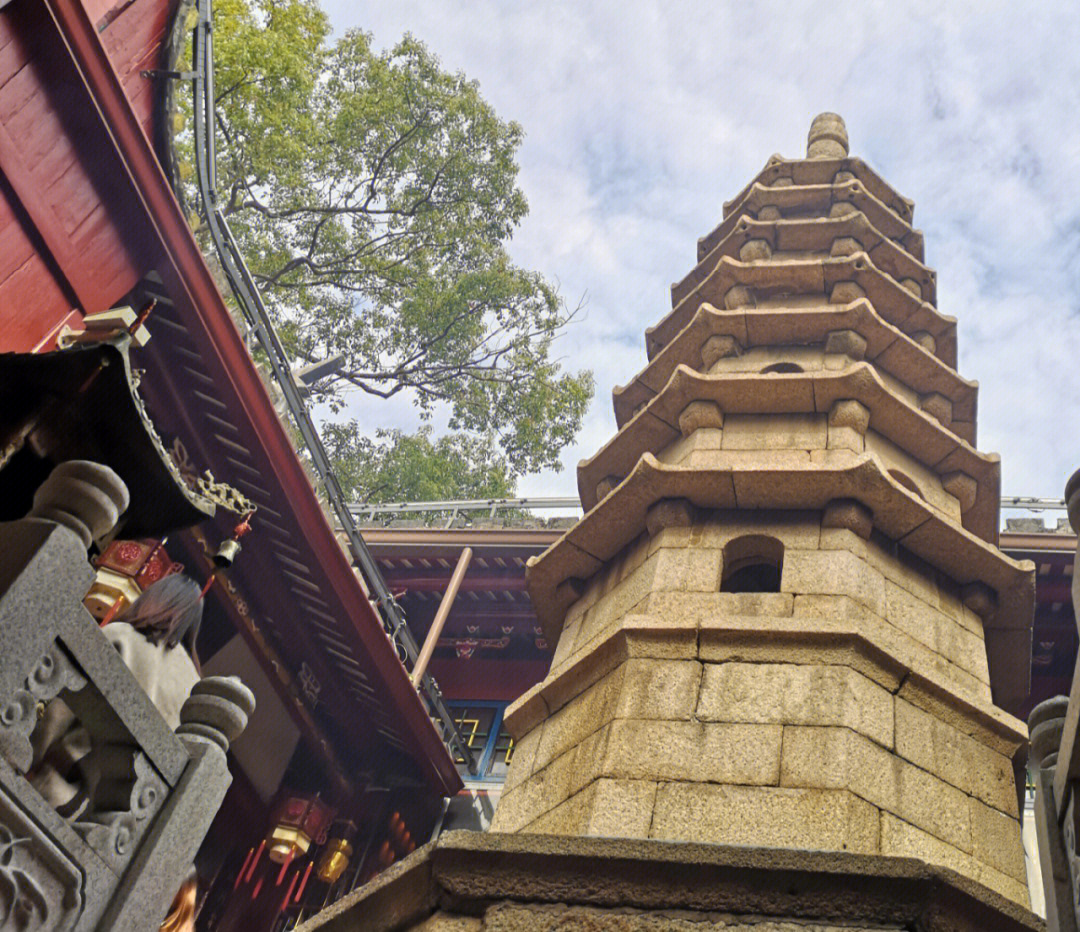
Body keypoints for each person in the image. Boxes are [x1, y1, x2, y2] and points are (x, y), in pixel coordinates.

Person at [30, 574, 204, 812]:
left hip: (56, 786)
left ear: (153, 598)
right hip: (114, 819)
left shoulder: (123, 636)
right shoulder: (192, 688)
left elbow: (58, 712)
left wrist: (29, 756)